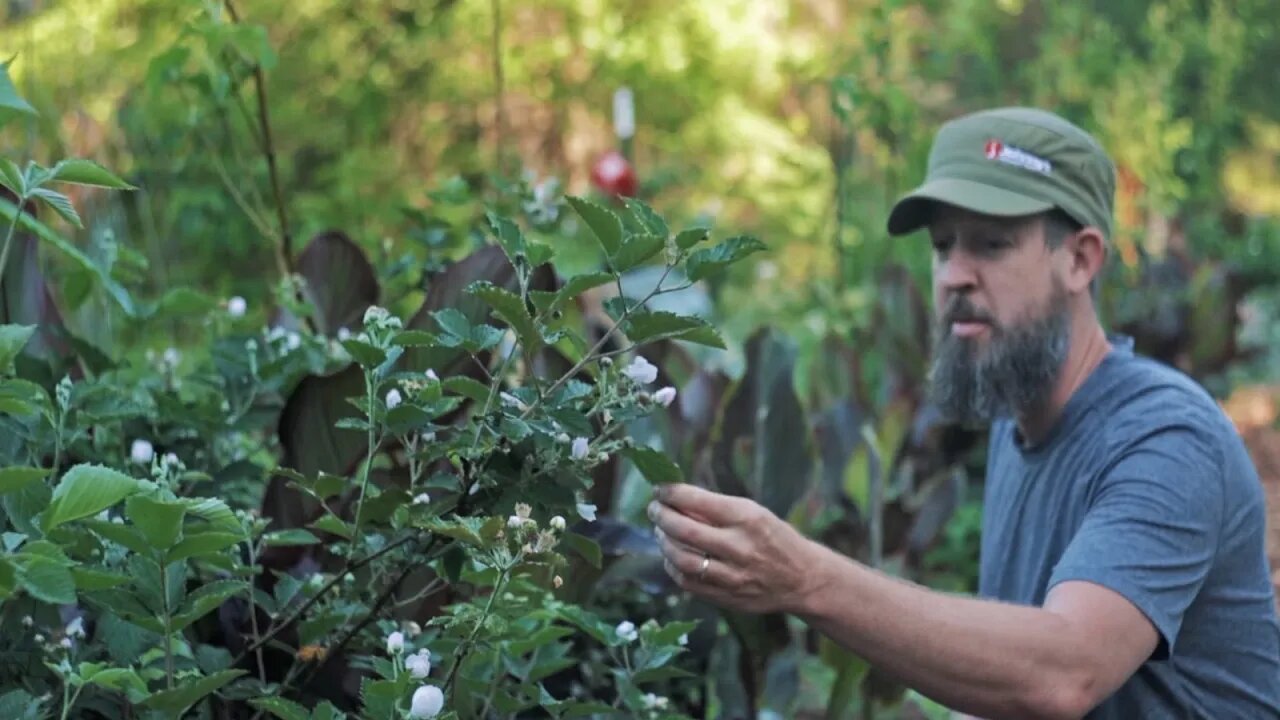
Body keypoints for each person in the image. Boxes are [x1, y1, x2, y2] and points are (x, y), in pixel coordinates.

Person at [647, 107, 1280, 719]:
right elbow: (1005, 677)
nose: (954, 275)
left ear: (1080, 259)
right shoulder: (1016, 423)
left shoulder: (1166, 439)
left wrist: (805, 579)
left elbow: (1065, 674)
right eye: (943, 246)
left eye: (992, 245)